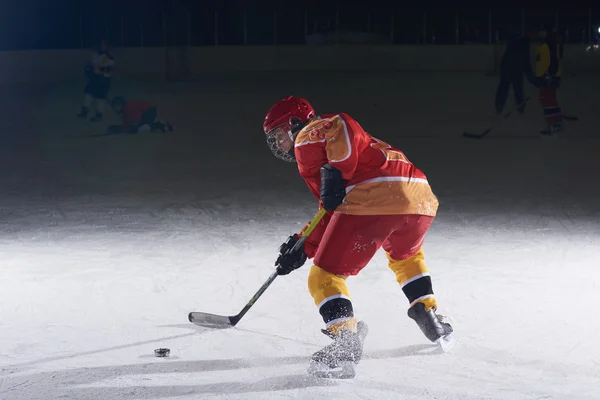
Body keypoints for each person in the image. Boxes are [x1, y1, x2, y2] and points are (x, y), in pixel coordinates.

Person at [263, 96, 453, 377]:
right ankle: (426, 310)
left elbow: (342, 122)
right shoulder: (331, 149)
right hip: (420, 197)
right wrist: (302, 246)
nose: (279, 144)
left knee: (324, 276)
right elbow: (330, 211)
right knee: (407, 256)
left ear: (294, 124)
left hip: (376, 196)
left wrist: (338, 169)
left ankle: (345, 341)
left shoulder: (307, 137)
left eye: (279, 135)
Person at [495, 28, 539, 115]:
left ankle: (500, 105)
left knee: (505, 87)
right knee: (516, 88)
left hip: (507, 67)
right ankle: (519, 106)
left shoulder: (515, 39)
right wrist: (532, 78)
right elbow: (525, 60)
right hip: (514, 69)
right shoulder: (524, 43)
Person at [534, 25, 564, 136]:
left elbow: (554, 61)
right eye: (540, 31)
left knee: (547, 99)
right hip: (545, 76)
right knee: (547, 99)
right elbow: (540, 61)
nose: (541, 33)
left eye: (543, 31)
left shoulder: (549, 43)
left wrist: (550, 75)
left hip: (549, 77)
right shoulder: (542, 44)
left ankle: (554, 124)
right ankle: (556, 122)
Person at [77, 39, 115, 122]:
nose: (102, 46)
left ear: (107, 47)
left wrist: (100, 70)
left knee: (100, 98)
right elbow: (92, 64)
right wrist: (89, 67)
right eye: (101, 45)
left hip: (104, 79)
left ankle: (99, 115)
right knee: (88, 93)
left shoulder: (108, 57)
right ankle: (85, 111)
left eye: (104, 45)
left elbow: (110, 70)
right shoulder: (97, 54)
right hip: (96, 79)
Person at [107, 96, 173, 134]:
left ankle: (159, 124)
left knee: (138, 129)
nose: (115, 109)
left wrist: (132, 126)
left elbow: (137, 119)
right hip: (150, 110)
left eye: (115, 107)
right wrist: (122, 128)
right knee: (136, 127)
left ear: (120, 105)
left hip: (150, 111)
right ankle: (159, 125)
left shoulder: (128, 108)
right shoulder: (127, 107)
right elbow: (126, 121)